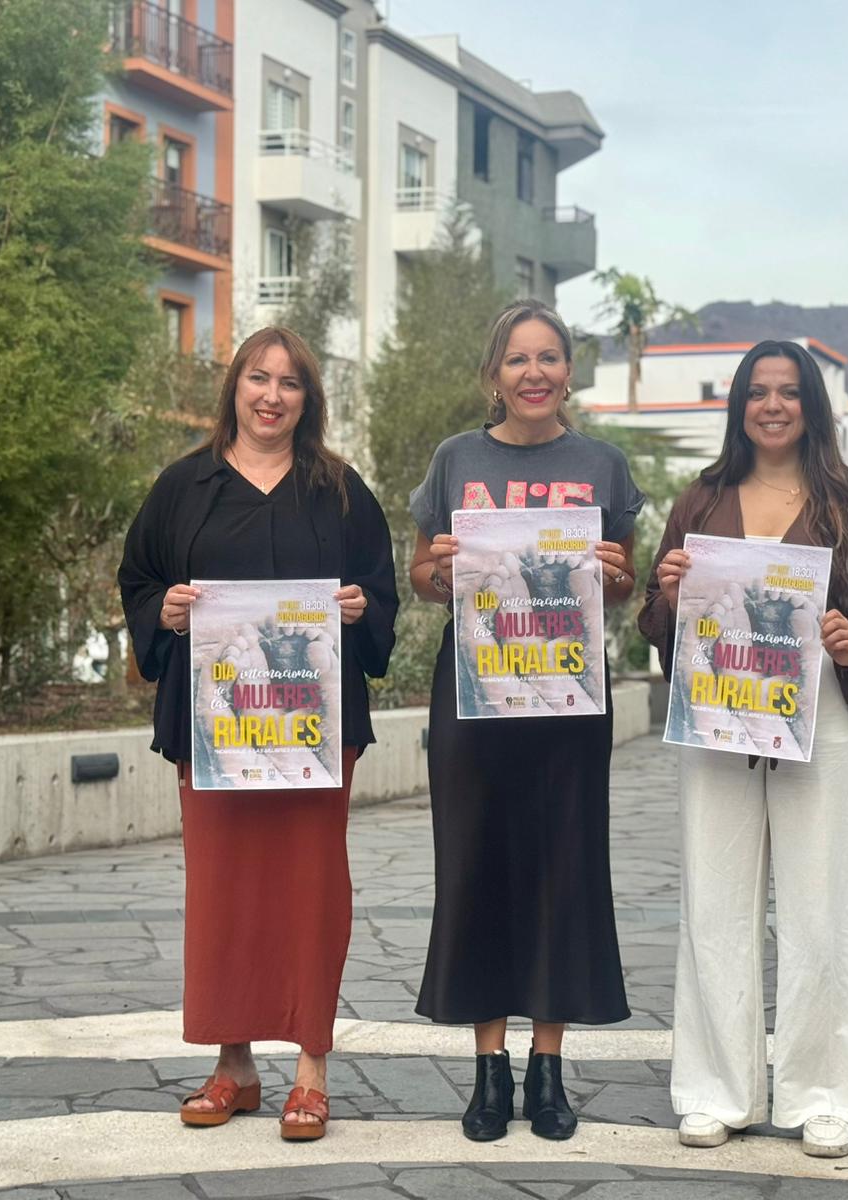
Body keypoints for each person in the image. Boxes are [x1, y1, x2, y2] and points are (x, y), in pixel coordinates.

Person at [118, 327, 398, 1140]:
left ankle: (311, 1068)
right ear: (234, 387)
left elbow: (380, 597)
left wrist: (360, 608)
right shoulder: (184, 487)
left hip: (313, 727)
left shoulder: (342, 492)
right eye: (258, 378)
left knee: (313, 888)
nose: (272, 395)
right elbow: (139, 578)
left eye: (290, 383)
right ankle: (233, 1065)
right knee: (223, 889)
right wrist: (162, 611)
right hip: (216, 726)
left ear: (309, 400)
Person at [637, 340, 848, 1158]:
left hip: (819, 713)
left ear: (813, 405)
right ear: (739, 405)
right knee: (713, 905)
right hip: (721, 713)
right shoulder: (703, 498)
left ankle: (825, 1090)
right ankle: (717, 1088)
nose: (774, 405)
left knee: (822, 909)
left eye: (790, 392)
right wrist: (673, 594)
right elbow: (655, 617)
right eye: (758, 392)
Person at [409, 300, 643, 1143]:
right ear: (493, 375)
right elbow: (423, 579)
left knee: (564, 866)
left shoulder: (604, 465)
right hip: (475, 689)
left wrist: (617, 573)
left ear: (569, 372)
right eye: (517, 360)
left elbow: (620, 587)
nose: (533, 373)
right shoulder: (455, 459)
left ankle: (548, 1069)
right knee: (477, 865)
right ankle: (488, 1068)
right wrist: (435, 570)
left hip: (569, 694)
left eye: (548, 358)